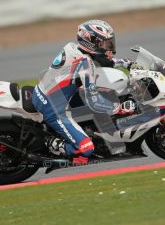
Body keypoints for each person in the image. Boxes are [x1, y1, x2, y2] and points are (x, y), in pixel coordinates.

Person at [32, 20, 136, 164]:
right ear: (91, 42)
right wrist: (119, 108)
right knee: (86, 149)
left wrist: (124, 62)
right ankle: (52, 144)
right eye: (104, 43)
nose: (107, 47)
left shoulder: (73, 48)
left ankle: (87, 129)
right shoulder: (85, 64)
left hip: (46, 93)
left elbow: (99, 60)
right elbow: (94, 101)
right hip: (53, 108)